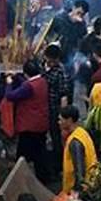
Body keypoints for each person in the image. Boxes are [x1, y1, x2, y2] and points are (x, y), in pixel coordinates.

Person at [6, 60, 50, 184]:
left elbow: (11, 96)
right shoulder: (42, 81)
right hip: (41, 124)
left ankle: (19, 180)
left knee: (22, 157)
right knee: (40, 154)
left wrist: (9, 83)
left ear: (26, 73)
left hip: (28, 126)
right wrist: (18, 77)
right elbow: (26, 84)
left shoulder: (29, 86)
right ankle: (43, 179)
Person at [59, 105, 97, 194]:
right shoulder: (82, 133)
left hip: (80, 190)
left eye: (61, 120)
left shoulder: (75, 142)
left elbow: (80, 172)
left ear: (69, 120)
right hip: (92, 182)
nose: (59, 122)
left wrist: (76, 193)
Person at [42, 44, 69, 173]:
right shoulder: (42, 65)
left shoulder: (60, 71)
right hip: (41, 107)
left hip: (54, 108)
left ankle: (58, 165)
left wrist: (62, 114)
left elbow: (64, 94)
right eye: (50, 61)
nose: (52, 63)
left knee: (55, 136)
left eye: (54, 61)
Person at [51, 0, 89, 68]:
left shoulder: (82, 24)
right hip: (56, 52)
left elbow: (82, 40)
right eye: (78, 12)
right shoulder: (60, 18)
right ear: (74, 8)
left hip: (70, 55)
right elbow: (55, 34)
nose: (79, 16)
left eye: (82, 15)